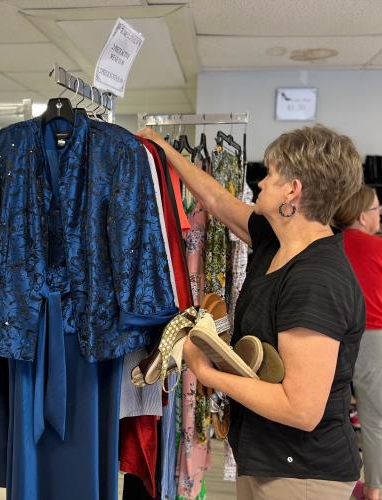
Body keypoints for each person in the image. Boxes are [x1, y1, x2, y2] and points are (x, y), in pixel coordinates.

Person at [137, 124, 365, 500]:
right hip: (270, 459)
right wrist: (164, 150)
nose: (259, 183)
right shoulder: (275, 240)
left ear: (293, 190)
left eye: (270, 174)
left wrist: (207, 371)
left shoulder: (316, 281)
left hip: (301, 475)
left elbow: (301, 409)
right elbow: (215, 200)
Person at [334, 185, 382, 500]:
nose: (380, 214)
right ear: (363, 216)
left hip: (332, 336)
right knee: (374, 418)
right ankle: (372, 491)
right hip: (373, 337)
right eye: (376, 209)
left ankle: (336, 485)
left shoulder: (329, 244)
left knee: (331, 413)